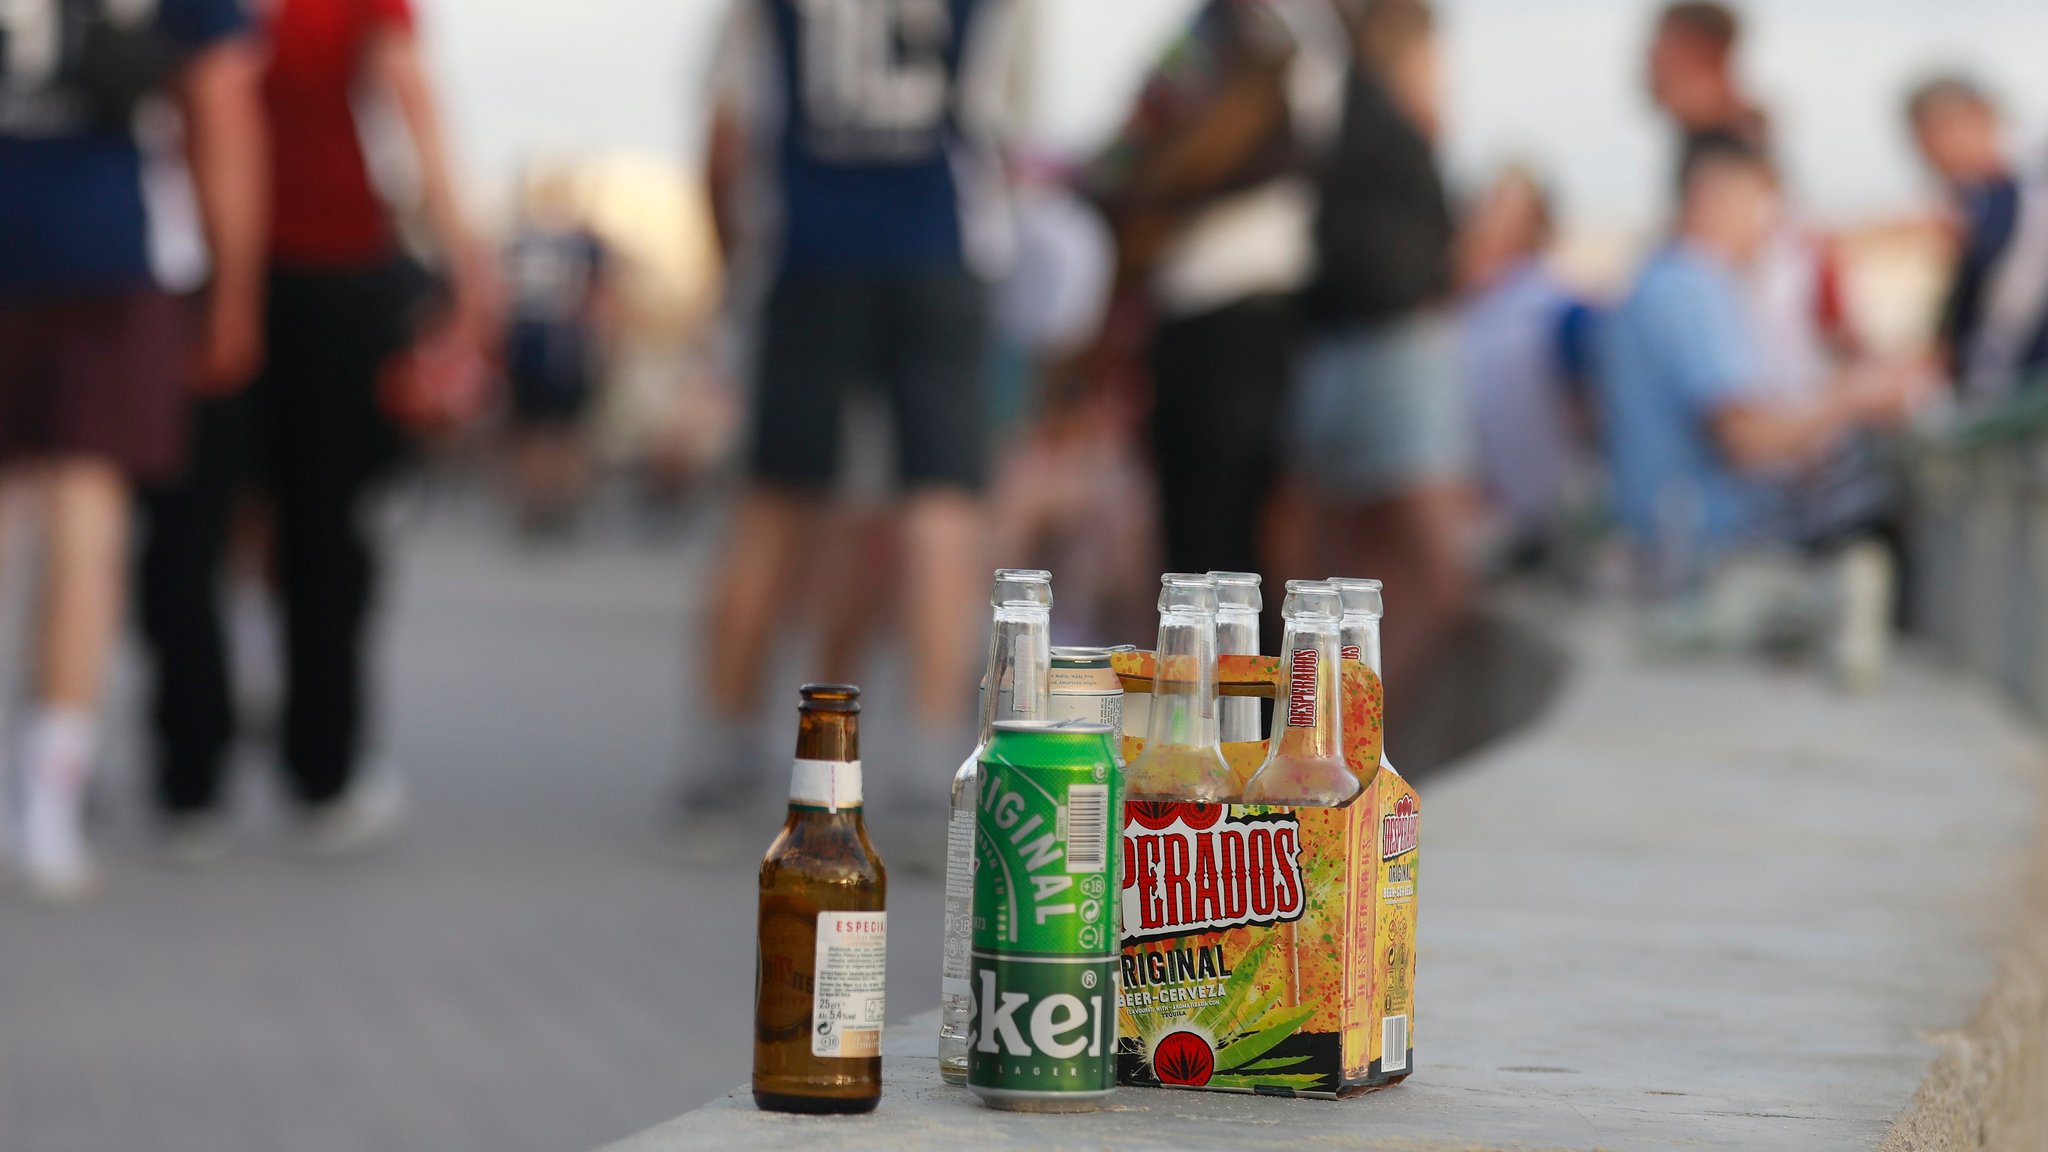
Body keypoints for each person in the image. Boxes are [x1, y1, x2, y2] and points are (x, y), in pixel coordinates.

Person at [137, 0, 492, 865]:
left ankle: (191, 784)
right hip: (329, 273)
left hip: (192, 268)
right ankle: (323, 774)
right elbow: (415, 107)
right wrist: (469, 261)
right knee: (327, 533)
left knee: (188, 529)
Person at [678, 0, 1026, 851]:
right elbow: (999, 122)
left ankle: (723, 760)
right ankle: (931, 769)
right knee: (941, 503)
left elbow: (726, 134)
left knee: (773, 505)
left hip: (811, 250)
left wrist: (736, 268)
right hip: (935, 243)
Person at [0, 0, 265, 898]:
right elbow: (221, 105)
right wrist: (235, 286)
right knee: (88, 518)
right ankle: (48, 798)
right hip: (108, 253)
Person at [1597, 140, 1926, 627]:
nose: (1770, 225)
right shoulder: (1694, 287)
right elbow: (1748, 441)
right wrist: (1852, 398)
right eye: (1762, 204)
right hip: (1709, 554)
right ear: (1713, 198)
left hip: (1674, 546)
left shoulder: (1663, 278)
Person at [1084, 0, 1348, 581]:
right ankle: (1212, 669)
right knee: (1196, 543)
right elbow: (1127, 154)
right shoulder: (1208, 40)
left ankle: (1247, 671)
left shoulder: (1297, 44)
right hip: (1194, 312)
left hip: (1248, 315)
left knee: (1235, 545)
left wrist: (1165, 188)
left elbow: (1302, 160)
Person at [1284, 0, 1472, 693]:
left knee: (1337, 572)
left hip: (1329, 351)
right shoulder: (1388, 126)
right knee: (1436, 579)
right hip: (1397, 355)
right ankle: (1349, 738)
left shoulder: (1327, 111)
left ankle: (1317, 736)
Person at [1455, 164, 1598, 568]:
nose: (1498, 227)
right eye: (1491, 211)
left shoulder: (1558, 309)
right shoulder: (1460, 310)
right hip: (1472, 514)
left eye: (1515, 216)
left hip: (1542, 518)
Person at [1906, 76, 2048, 404]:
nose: (1929, 158)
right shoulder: (1983, 202)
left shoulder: (2017, 198)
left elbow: (2000, 320)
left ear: (1977, 117)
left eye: (1932, 138)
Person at [502, 168, 613, 535]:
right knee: (565, 432)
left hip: (530, 345)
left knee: (535, 430)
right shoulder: (583, 243)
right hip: (564, 348)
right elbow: (599, 300)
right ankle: (558, 506)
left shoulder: (520, 240)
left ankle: (540, 505)